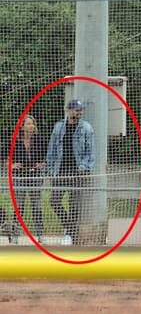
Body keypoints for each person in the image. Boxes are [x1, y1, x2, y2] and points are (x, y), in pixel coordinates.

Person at [46, 98, 95, 246]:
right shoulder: (59, 127)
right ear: (68, 111)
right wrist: (50, 168)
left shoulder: (86, 128)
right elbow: (52, 149)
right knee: (54, 201)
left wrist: (85, 168)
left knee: (74, 204)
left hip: (77, 172)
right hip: (60, 171)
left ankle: (70, 234)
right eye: (76, 109)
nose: (79, 112)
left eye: (80, 110)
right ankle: (69, 226)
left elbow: (91, 152)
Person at [11, 115, 47, 240]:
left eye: (32, 124)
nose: (31, 126)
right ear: (22, 126)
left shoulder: (40, 140)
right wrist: (11, 165)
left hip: (35, 175)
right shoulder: (14, 140)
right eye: (28, 124)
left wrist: (43, 164)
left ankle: (40, 234)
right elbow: (4, 154)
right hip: (19, 176)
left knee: (36, 205)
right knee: (19, 205)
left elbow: (48, 156)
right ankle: (16, 234)